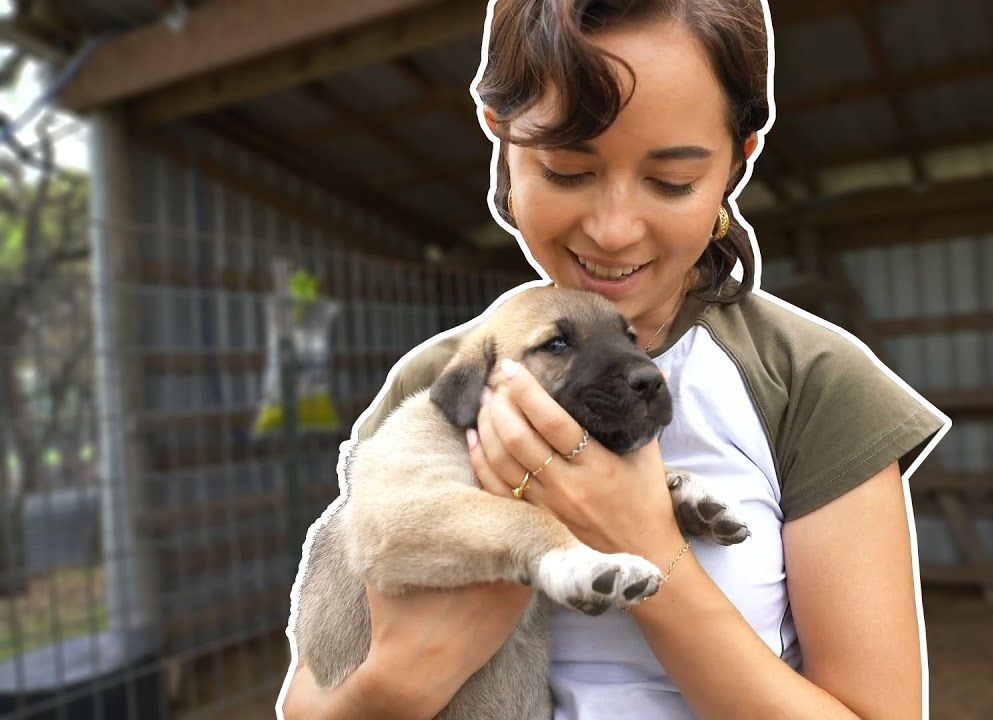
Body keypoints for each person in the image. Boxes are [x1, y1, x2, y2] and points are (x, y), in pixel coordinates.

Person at [279, 1, 948, 718]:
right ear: (499, 136)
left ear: (739, 157)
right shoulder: (442, 379)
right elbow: (314, 693)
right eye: (568, 170)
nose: (613, 230)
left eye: (671, 181)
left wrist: (648, 547)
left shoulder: (808, 381)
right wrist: (404, 682)